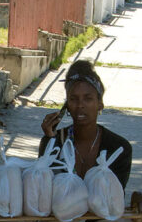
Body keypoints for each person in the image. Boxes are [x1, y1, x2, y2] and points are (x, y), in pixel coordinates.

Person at [39, 59, 132, 191]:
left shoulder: (118, 148)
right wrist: (50, 140)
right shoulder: (56, 141)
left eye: (88, 99)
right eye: (73, 99)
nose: (80, 105)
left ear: (100, 104)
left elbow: (115, 195)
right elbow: (44, 187)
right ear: (67, 107)